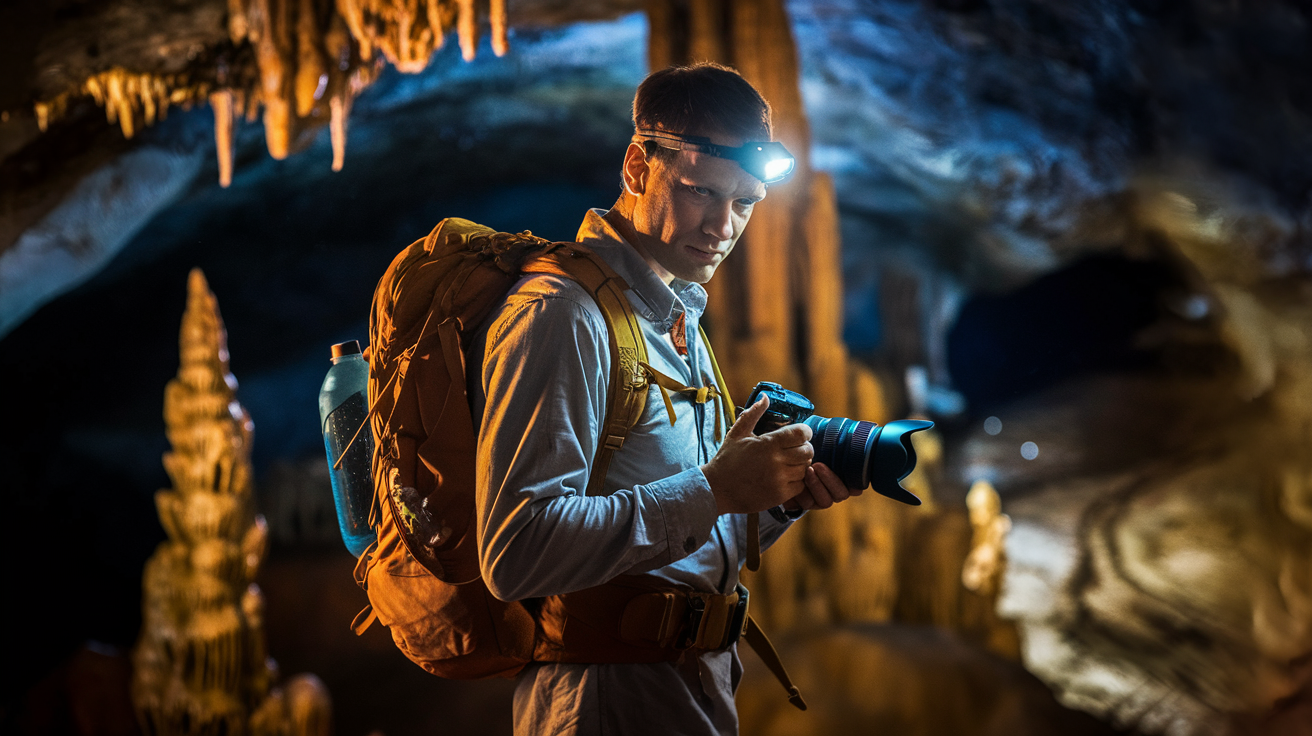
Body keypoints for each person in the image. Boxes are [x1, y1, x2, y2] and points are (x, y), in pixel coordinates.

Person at [468, 62, 861, 736]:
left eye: (745, 203)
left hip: (687, 691)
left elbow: (684, 541)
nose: (723, 225)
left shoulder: (676, 316)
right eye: (701, 191)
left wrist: (774, 499)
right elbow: (518, 550)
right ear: (637, 167)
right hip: (600, 700)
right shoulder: (563, 315)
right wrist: (714, 488)